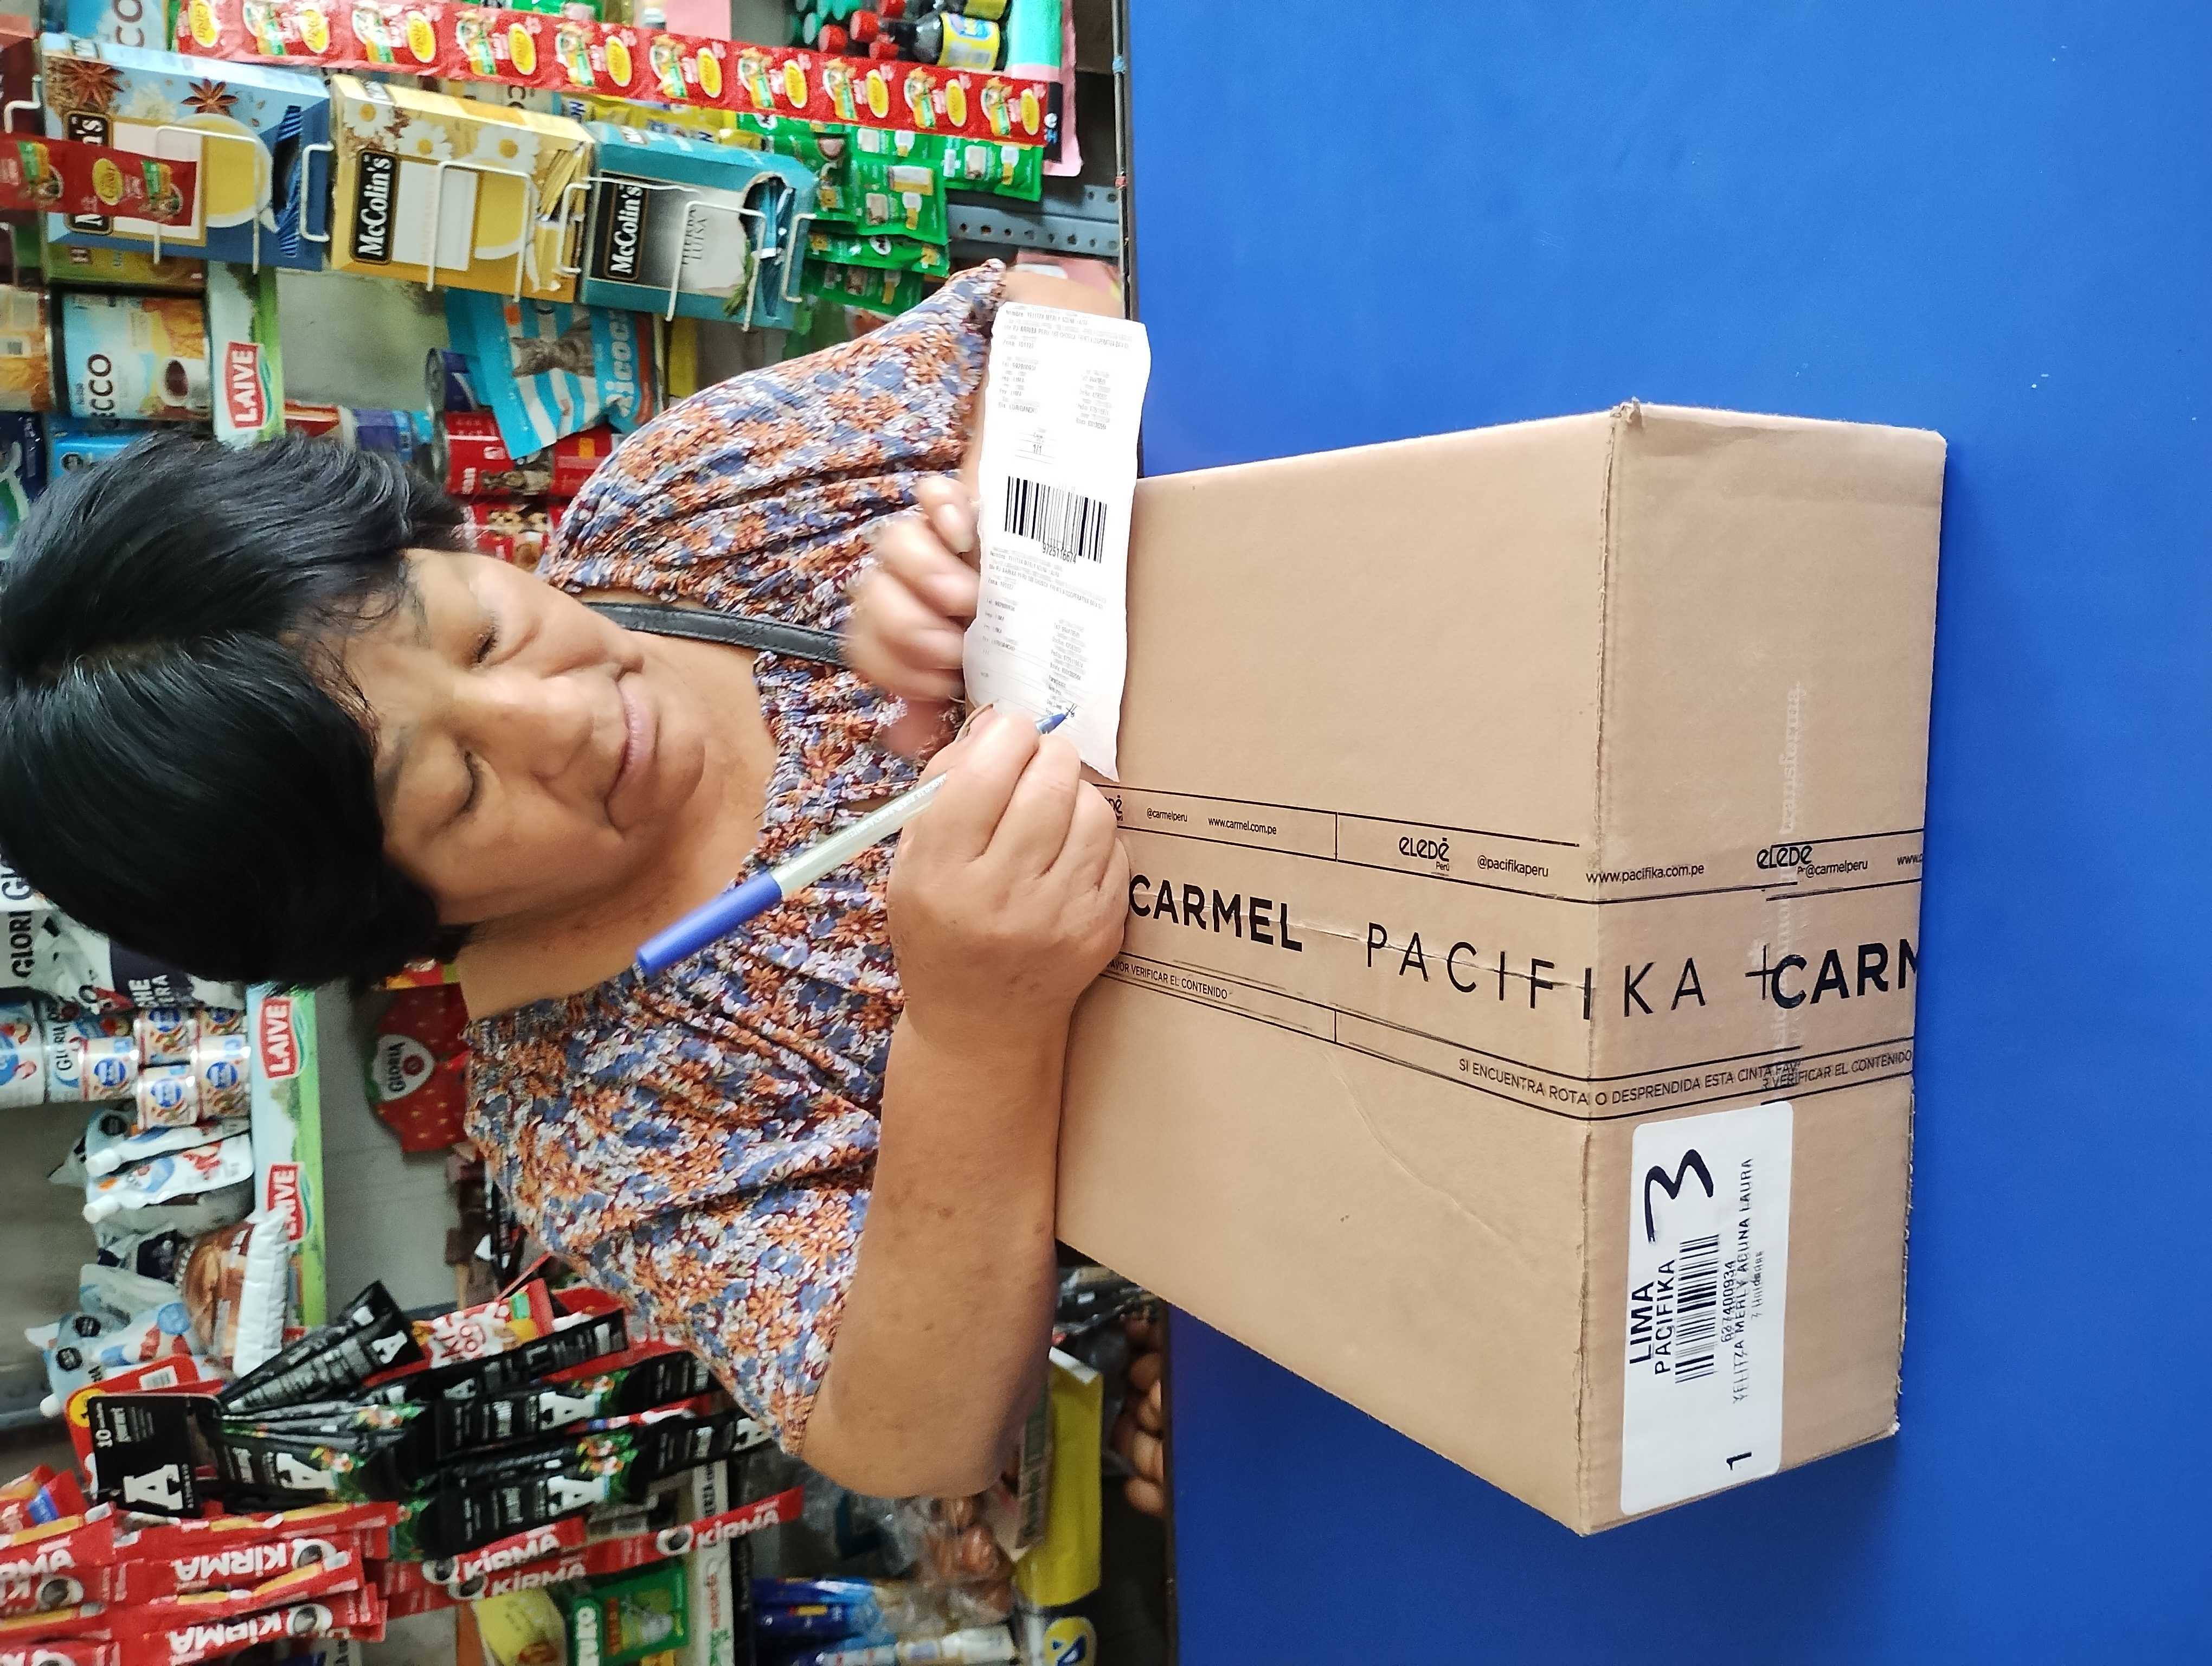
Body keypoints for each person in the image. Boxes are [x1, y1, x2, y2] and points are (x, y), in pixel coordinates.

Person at [0, 262, 1136, 1501]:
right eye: (461, 790)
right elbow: (905, 1432)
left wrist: (1003, 528)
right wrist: (974, 1036)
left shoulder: (683, 504)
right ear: (396, 922)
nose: (568, 716)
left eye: (481, 633)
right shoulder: (594, 1113)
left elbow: (1059, 294)